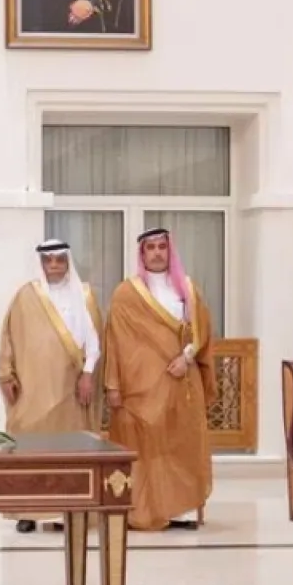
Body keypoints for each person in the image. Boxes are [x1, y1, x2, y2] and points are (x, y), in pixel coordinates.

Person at [102, 228, 214, 531]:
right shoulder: (126, 293)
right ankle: (141, 508)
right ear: (141, 253)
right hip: (139, 388)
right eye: (150, 247)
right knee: (145, 449)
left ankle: (182, 509)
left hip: (180, 379)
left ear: (169, 250)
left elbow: (201, 329)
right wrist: (112, 384)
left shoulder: (187, 288)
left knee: (181, 442)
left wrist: (187, 357)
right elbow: (114, 340)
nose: (156, 253)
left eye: (162, 247)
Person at [0, 240, 103, 533]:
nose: (54, 266)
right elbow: (8, 337)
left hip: (71, 389)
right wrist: (6, 374)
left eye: (59, 260)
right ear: (41, 263)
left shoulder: (85, 295)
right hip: (31, 389)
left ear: (68, 262)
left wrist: (88, 375)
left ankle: (66, 509)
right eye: (49, 261)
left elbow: (94, 343)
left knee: (68, 449)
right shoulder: (25, 296)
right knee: (29, 446)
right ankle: (27, 510)